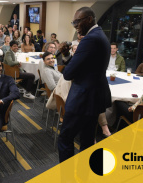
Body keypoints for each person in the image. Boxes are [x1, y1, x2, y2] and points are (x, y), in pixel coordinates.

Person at [58, 7, 111, 163]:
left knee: (65, 139)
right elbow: (82, 67)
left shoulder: (89, 39)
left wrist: (68, 61)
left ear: (89, 19)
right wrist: (67, 55)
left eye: (77, 21)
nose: (75, 25)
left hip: (82, 99)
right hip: (94, 98)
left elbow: (68, 74)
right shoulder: (100, 35)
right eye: (73, 22)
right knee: (87, 140)